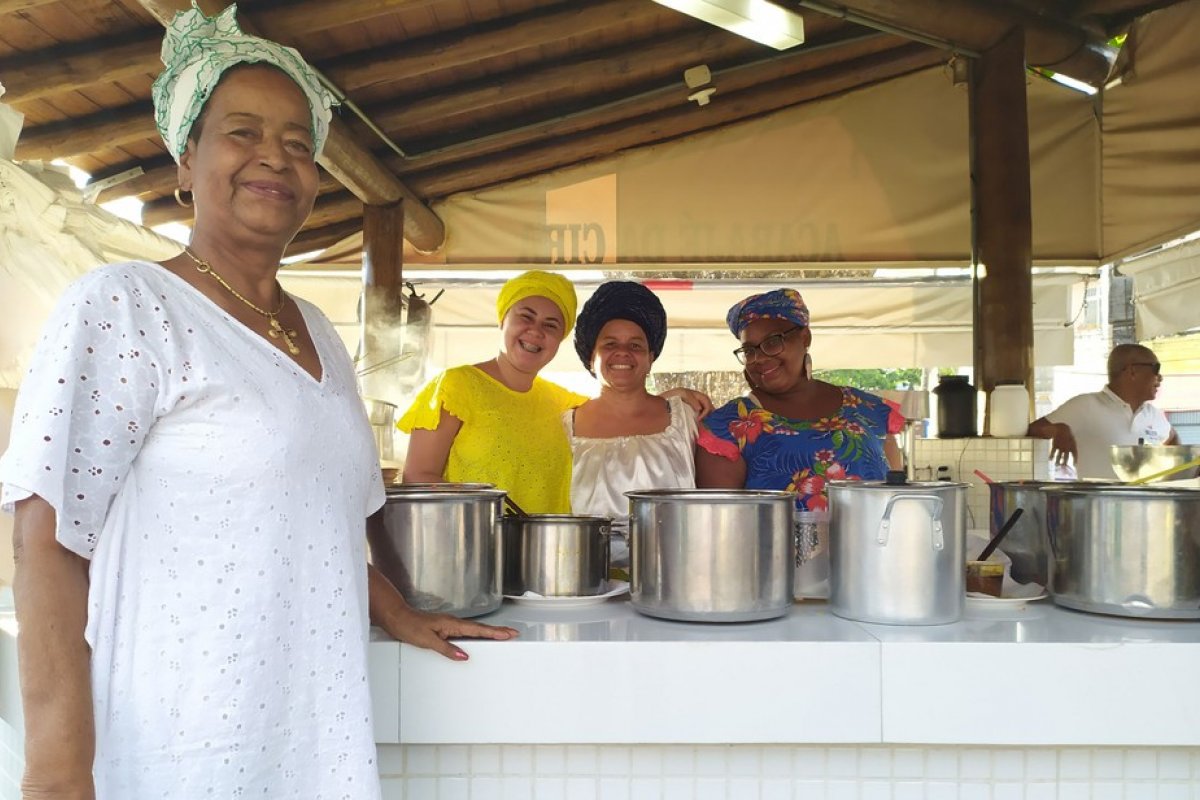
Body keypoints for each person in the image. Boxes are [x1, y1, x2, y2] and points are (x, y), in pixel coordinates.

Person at [0, 7, 513, 798]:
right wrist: (57, 768)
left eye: (299, 144)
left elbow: (326, 519)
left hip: (315, 741)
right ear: (185, 159)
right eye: (242, 132)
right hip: (181, 747)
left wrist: (396, 612)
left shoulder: (317, 333)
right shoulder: (126, 304)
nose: (274, 157)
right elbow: (45, 533)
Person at [399, 274, 713, 514]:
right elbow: (417, 476)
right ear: (502, 319)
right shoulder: (456, 385)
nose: (536, 331)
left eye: (551, 325)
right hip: (471, 549)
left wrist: (670, 398)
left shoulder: (560, 404)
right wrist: (484, 516)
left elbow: (624, 410)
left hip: (547, 565)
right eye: (525, 316)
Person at [695, 288, 904, 512]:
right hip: (773, 548)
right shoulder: (728, 427)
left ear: (805, 338)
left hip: (873, 547)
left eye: (773, 342)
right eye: (749, 351)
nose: (760, 358)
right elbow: (721, 527)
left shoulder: (871, 411)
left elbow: (896, 503)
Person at [565, 281, 699, 563]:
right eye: (610, 344)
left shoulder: (686, 419)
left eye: (635, 345)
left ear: (650, 359)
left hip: (673, 578)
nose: (623, 352)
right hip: (587, 583)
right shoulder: (565, 426)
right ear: (591, 358)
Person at [1027, 343, 1178, 479]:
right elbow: (1033, 430)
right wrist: (1058, 429)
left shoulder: (1155, 415)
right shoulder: (1085, 405)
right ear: (1132, 371)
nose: (1160, 377)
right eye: (1156, 369)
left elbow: (1172, 437)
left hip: (1149, 508)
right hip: (1097, 507)